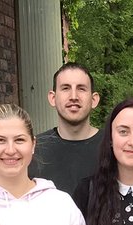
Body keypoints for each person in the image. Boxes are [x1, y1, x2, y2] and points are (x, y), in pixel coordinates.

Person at [30, 62, 102, 196]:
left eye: (81, 88)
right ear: (53, 98)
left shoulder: (113, 147)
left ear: (94, 99)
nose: (73, 96)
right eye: (65, 88)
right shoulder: (34, 150)